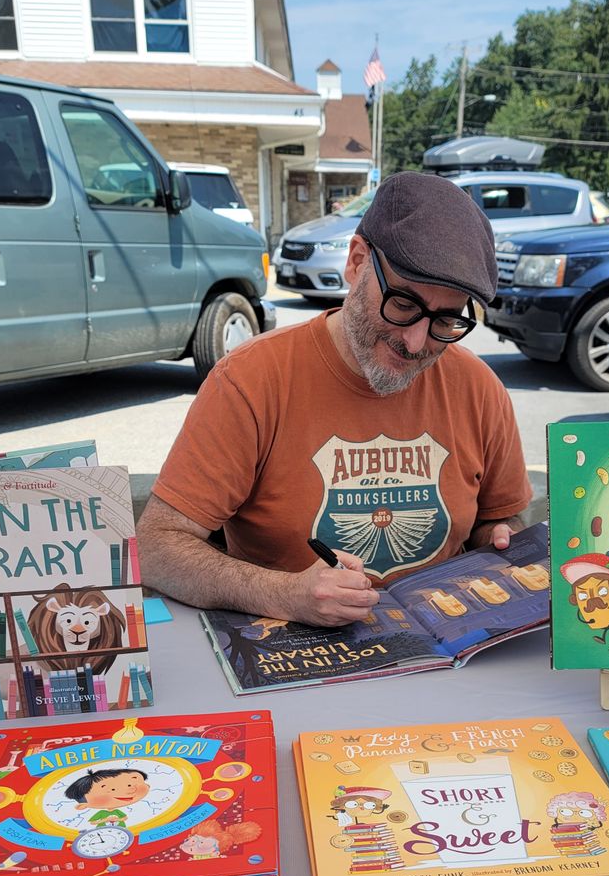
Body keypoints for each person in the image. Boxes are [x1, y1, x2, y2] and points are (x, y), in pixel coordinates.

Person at [137, 170, 533, 626]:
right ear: (357, 261)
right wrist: (283, 593)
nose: (418, 341)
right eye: (403, 305)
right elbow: (157, 547)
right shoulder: (252, 380)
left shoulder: (478, 388)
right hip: (290, 651)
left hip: (446, 643)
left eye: (446, 320)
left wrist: (502, 539)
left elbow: (498, 522)